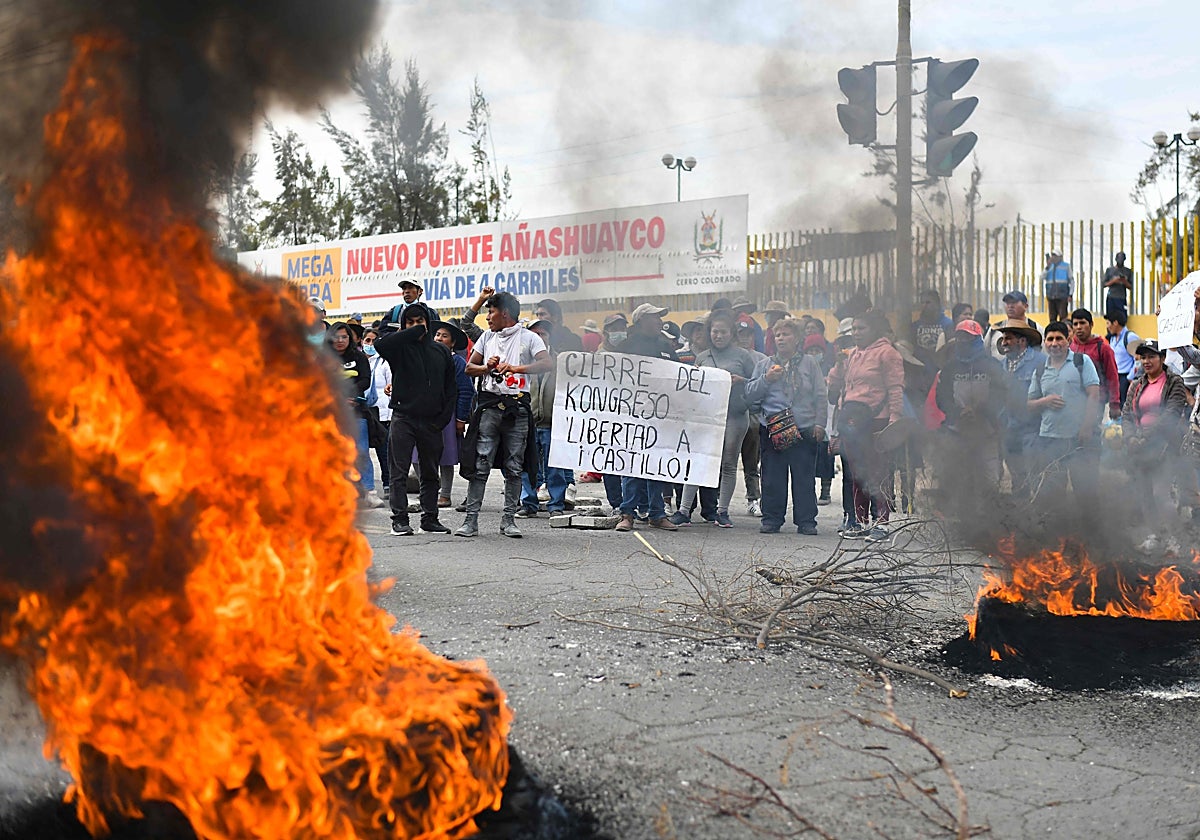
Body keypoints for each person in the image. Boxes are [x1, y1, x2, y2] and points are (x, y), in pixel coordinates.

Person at [458, 291, 552, 538]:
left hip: (518, 408)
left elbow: (546, 363)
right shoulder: (486, 338)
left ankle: (509, 520)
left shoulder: (530, 338)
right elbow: (469, 368)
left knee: (514, 465)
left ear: (505, 314)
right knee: (481, 463)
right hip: (489, 408)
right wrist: (486, 368)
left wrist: (516, 368)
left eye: (491, 312)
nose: (488, 317)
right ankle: (470, 521)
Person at [669, 310, 760, 528]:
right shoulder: (702, 357)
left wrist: (742, 380)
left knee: (728, 464)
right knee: (698, 460)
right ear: (709, 333)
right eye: (715, 332)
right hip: (707, 417)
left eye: (723, 332)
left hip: (735, 416)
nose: (719, 336)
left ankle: (723, 512)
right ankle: (683, 511)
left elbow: (757, 385)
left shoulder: (743, 356)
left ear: (732, 334)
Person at [374, 303, 456, 535]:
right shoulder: (399, 349)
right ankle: (400, 519)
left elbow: (451, 389)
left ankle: (430, 518)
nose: (415, 326)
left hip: (431, 421)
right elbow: (381, 344)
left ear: (428, 323)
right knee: (398, 471)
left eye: (420, 321)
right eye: (409, 322)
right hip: (403, 417)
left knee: (430, 472)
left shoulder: (440, 351)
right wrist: (411, 331)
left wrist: (441, 420)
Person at [745, 317, 828, 534]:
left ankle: (806, 521)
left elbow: (820, 395)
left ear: (797, 338)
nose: (781, 338)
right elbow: (750, 393)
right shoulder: (764, 364)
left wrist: (820, 423)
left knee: (803, 477)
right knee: (772, 477)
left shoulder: (810, 363)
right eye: (777, 335)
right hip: (773, 429)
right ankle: (772, 519)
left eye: (786, 334)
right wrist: (767, 379)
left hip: (804, 428)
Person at [828, 311, 905, 542]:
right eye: (854, 329)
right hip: (851, 420)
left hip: (877, 421)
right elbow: (837, 385)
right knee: (856, 472)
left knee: (878, 472)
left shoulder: (888, 354)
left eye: (862, 328)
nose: (856, 333)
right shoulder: (851, 355)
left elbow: (895, 389)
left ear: (875, 330)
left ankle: (882, 522)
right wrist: (837, 366)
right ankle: (860, 521)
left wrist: (894, 421)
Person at [615, 304, 680, 532]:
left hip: (659, 417)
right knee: (631, 465)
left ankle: (657, 514)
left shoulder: (665, 346)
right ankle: (627, 514)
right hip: (632, 415)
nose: (660, 322)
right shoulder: (625, 347)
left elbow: (679, 377)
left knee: (657, 465)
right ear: (641, 321)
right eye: (655, 318)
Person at [1121, 340, 1190, 554]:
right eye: (1143, 357)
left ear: (1162, 358)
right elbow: (1126, 414)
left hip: (1164, 446)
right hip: (1139, 448)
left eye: (1151, 356)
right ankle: (1155, 536)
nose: (1146, 361)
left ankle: (1176, 540)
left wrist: (1146, 437)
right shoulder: (1137, 384)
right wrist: (1131, 437)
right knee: (1144, 494)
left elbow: (1172, 412)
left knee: (1161, 494)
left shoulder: (1173, 382)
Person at [1026, 321, 1101, 501]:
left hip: (1078, 439)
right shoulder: (1040, 368)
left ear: (1068, 339)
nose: (1054, 343)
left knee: (1085, 490)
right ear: (1045, 342)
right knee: (1052, 491)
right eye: (1050, 339)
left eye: (1059, 338)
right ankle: (1059, 527)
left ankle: (1089, 527)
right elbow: (1028, 403)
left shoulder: (1081, 362)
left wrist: (1086, 428)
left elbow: (1094, 395)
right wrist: (1045, 401)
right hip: (1049, 439)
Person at [935, 319, 1007, 485]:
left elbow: (1001, 395)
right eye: (960, 337)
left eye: (968, 337)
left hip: (987, 429)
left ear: (978, 339)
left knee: (990, 478)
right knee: (958, 477)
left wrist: (980, 411)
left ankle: (990, 507)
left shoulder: (993, 366)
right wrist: (958, 412)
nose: (963, 341)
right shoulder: (950, 368)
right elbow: (942, 397)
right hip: (956, 429)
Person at [518, 319, 572, 518]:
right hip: (527, 422)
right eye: (535, 334)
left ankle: (556, 504)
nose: (540, 338)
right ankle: (528, 503)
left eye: (544, 334)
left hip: (554, 423)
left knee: (555, 468)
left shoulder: (562, 362)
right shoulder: (521, 361)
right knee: (527, 467)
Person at [327, 320, 382, 510]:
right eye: (337, 337)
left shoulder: (359, 357)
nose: (340, 340)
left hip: (356, 411)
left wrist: (351, 395)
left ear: (350, 339)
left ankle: (370, 492)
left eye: (344, 337)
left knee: (361, 451)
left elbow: (365, 380)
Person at [995, 320, 1046, 498]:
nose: (1004, 342)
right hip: (1009, 429)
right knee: (1017, 478)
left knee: (1036, 475)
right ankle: (1021, 518)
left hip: (1032, 429)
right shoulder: (1002, 365)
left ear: (1022, 341)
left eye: (1008, 338)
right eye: (1003, 338)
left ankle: (1042, 518)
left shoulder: (1040, 362)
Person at [429, 320, 473, 510]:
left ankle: (445, 494)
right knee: (418, 454)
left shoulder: (457, 362)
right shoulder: (426, 358)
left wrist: (460, 418)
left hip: (448, 415)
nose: (439, 338)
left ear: (453, 342)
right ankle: (430, 490)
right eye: (437, 334)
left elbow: (466, 390)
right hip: (426, 414)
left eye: (444, 336)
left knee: (445, 456)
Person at [1069, 308, 1120, 420]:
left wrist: (1114, 404)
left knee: (1092, 434)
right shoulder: (1069, 348)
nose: (1078, 327)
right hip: (1072, 402)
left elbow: (1112, 376)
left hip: (1097, 402)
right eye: (1075, 324)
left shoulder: (1103, 348)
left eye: (1082, 323)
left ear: (1091, 325)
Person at [363, 328, 392, 499]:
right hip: (364, 412)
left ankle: (388, 483)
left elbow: (391, 385)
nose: (370, 344)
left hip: (382, 413)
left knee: (384, 451)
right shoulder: (360, 362)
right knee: (362, 451)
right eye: (367, 340)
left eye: (373, 341)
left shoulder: (385, 363)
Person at [1105, 310, 1141, 407]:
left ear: (1115, 323)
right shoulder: (1112, 338)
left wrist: (1131, 377)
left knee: (1126, 404)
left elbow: (1139, 358)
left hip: (1126, 377)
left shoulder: (1130, 337)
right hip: (1115, 376)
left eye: (1108, 323)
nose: (1107, 326)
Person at [912, 289, 953, 369]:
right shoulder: (915, 326)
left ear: (937, 304)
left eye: (928, 302)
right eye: (922, 303)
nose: (924, 306)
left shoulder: (948, 324)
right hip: (920, 370)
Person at [1042, 248, 1073, 323]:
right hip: (1051, 296)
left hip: (1062, 296)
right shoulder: (1049, 266)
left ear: (1060, 257)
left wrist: (1070, 294)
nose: (1053, 257)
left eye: (1055, 255)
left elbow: (1071, 281)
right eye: (1052, 255)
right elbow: (1042, 277)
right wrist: (1047, 267)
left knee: (1063, 316)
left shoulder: (1066, 266)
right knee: (1052, 317)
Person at [1103, 251, 1133, 319]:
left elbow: (1131, 287)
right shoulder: (1110, 270)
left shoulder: (1127, 271)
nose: (1120, 261)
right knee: (1110, 318)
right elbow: (1104, 284)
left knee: (1122, 318)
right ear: (1116, 259)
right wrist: (1113, 281)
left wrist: (1124, 281)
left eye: (1122, 259)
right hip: (1111, 297)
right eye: (1119, 259)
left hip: (1121, 298)